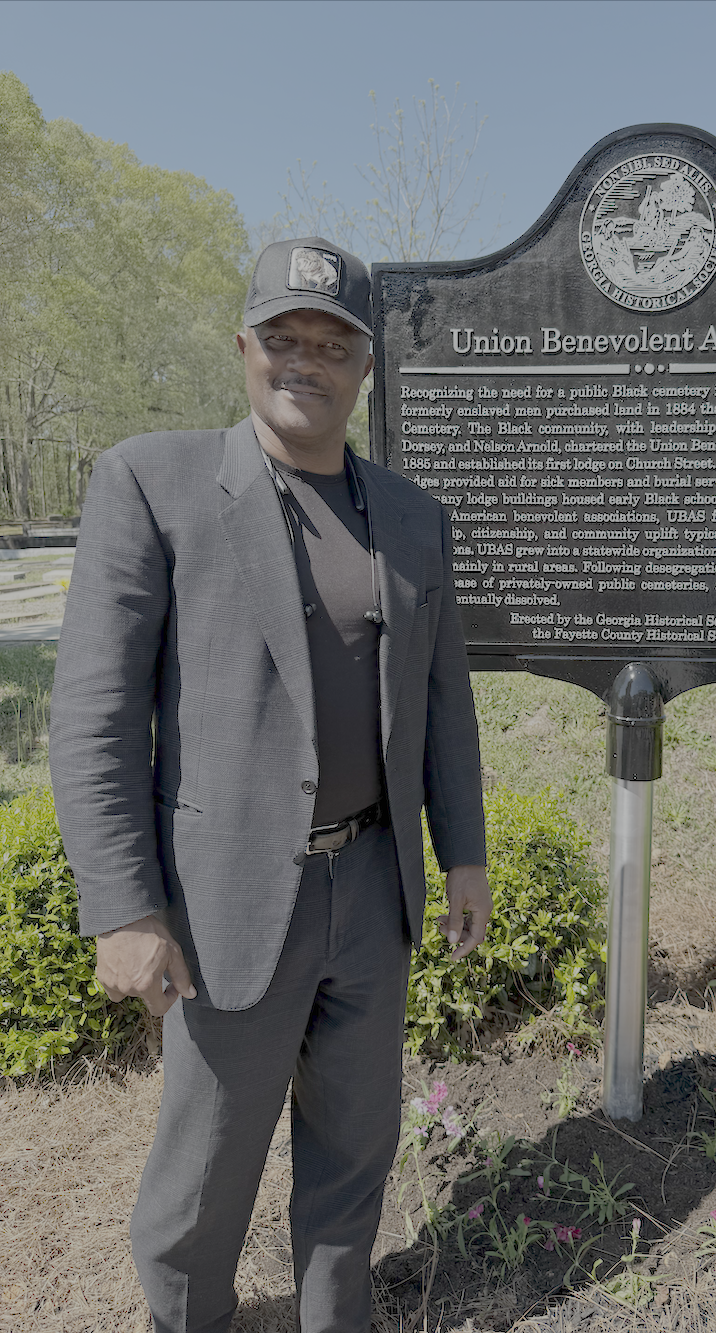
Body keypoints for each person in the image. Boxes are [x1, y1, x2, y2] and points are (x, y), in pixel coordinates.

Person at [49, 236, 492, 1333]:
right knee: (204, 1176)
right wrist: (124, 908)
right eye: (283, 337)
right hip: (227, 900)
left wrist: (464, 853)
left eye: (333, 344)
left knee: (354, 1151)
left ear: (366, 366)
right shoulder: (152, 482)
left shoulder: (414, 516)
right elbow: (96, 715)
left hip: (374, 887)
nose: (306, 360)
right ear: (242, 348)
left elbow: (443, 700)